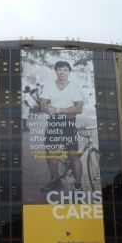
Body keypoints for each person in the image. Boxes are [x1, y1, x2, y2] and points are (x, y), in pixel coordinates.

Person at [39, 61, 85, 192]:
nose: (62, 72)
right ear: (56, 71)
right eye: (59, 69)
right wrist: (68, 109)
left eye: (65, 70)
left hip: (69, 124)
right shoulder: (48, 86)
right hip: (54, 123)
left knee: (73, 155)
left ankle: (78, 184)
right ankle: (55, 179)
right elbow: (43, 106)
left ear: (69, 72)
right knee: (50, 153)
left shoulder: (75, 87)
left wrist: (58, 110)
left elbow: (79, 108)